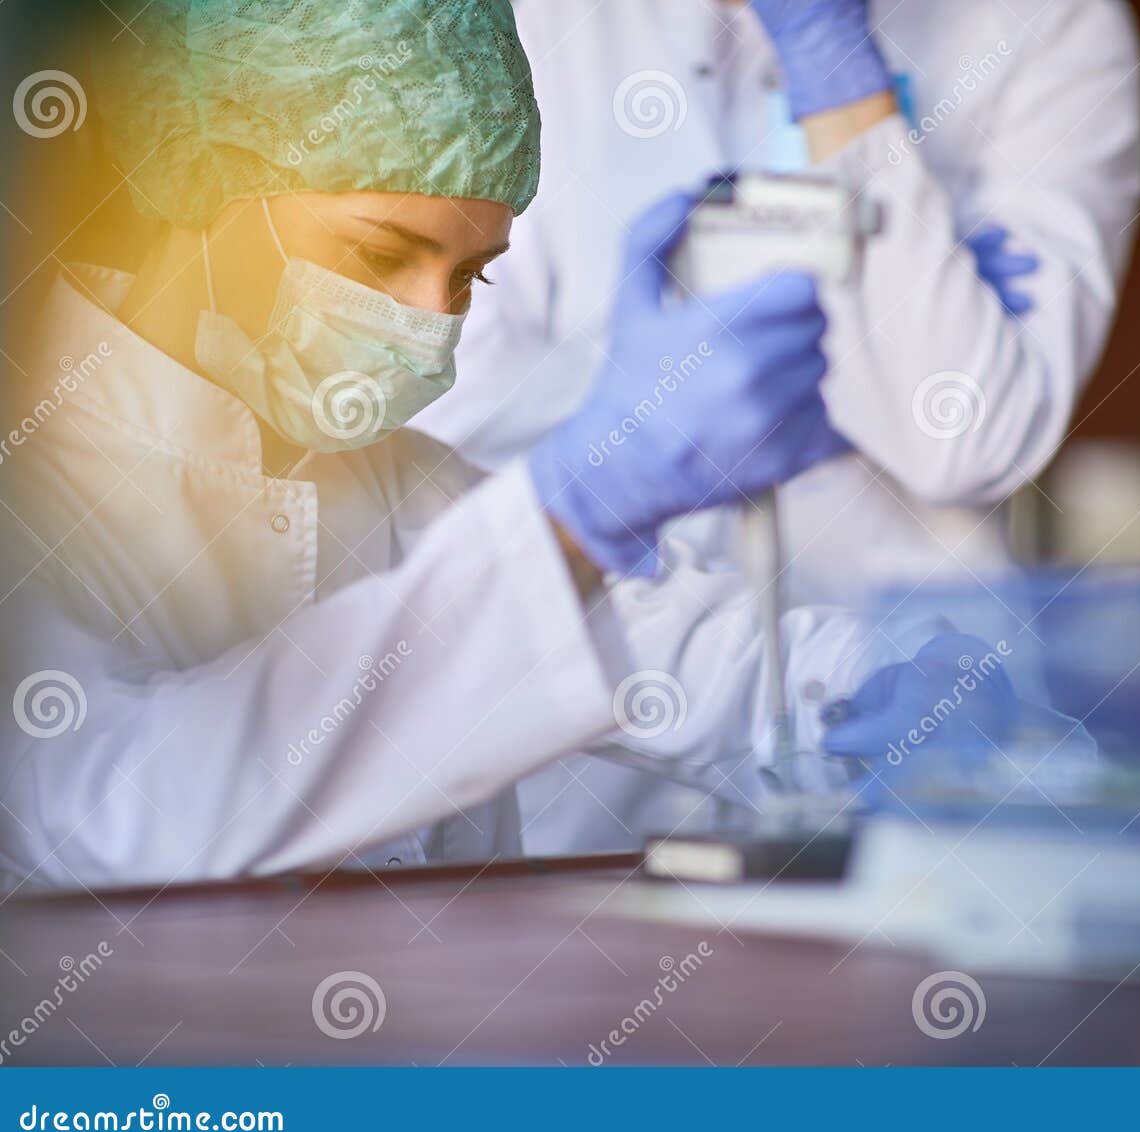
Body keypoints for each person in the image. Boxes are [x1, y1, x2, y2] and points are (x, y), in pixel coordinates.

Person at [0, 0, 1019, 891]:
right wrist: (577, 510)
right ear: (200, 173)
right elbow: (132, 806)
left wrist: (881, 673)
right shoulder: (28, 490)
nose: (429, 319)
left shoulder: (408, 485)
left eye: (471, 275)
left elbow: (681, 645)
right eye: (381, 250)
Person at [410, 0, 1140, 850]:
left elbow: (964, 437)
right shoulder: (534, 18)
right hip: (582, 769)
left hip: (907, 718)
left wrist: (838, 72)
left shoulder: (1049, 24)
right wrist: (664, 419)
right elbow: (447, 417)